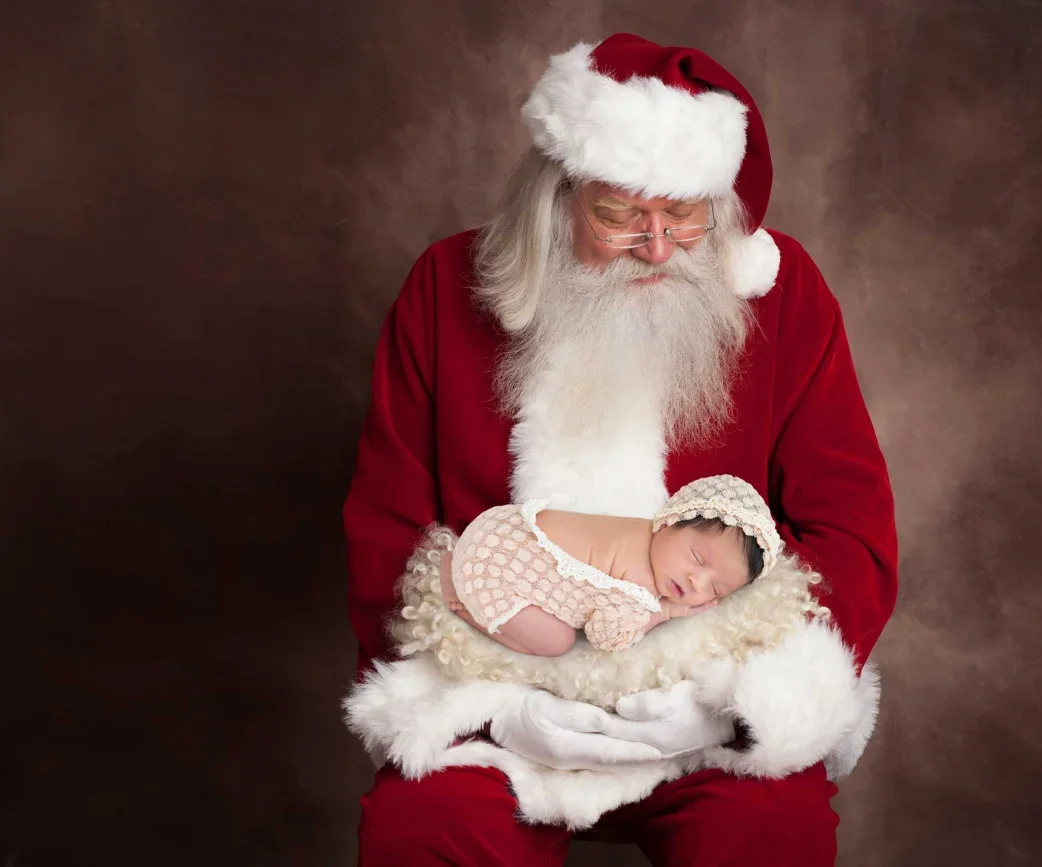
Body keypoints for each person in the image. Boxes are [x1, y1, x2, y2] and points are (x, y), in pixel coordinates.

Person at [343, 33, 898, 866]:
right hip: (500, 705)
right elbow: (387, 524)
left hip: (705, 709)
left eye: (685, 215)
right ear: (557, 197)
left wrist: (729, 699)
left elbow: (850, 530)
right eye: (620, 215)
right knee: (425, 832)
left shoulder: (786, 300)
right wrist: (493, 705)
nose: (659, 246)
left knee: (767, 836)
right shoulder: (442, 288)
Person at [441, 475, 780, 654]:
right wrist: (665, 612)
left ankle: (454, 559)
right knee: (557, 642)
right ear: (671, 520)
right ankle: (464, 606)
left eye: (715, 588)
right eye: (698, 558)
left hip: (500, 525)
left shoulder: (642, 530)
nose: (697, 582)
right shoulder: (638, 586)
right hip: (490, 569)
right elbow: (606, 638)